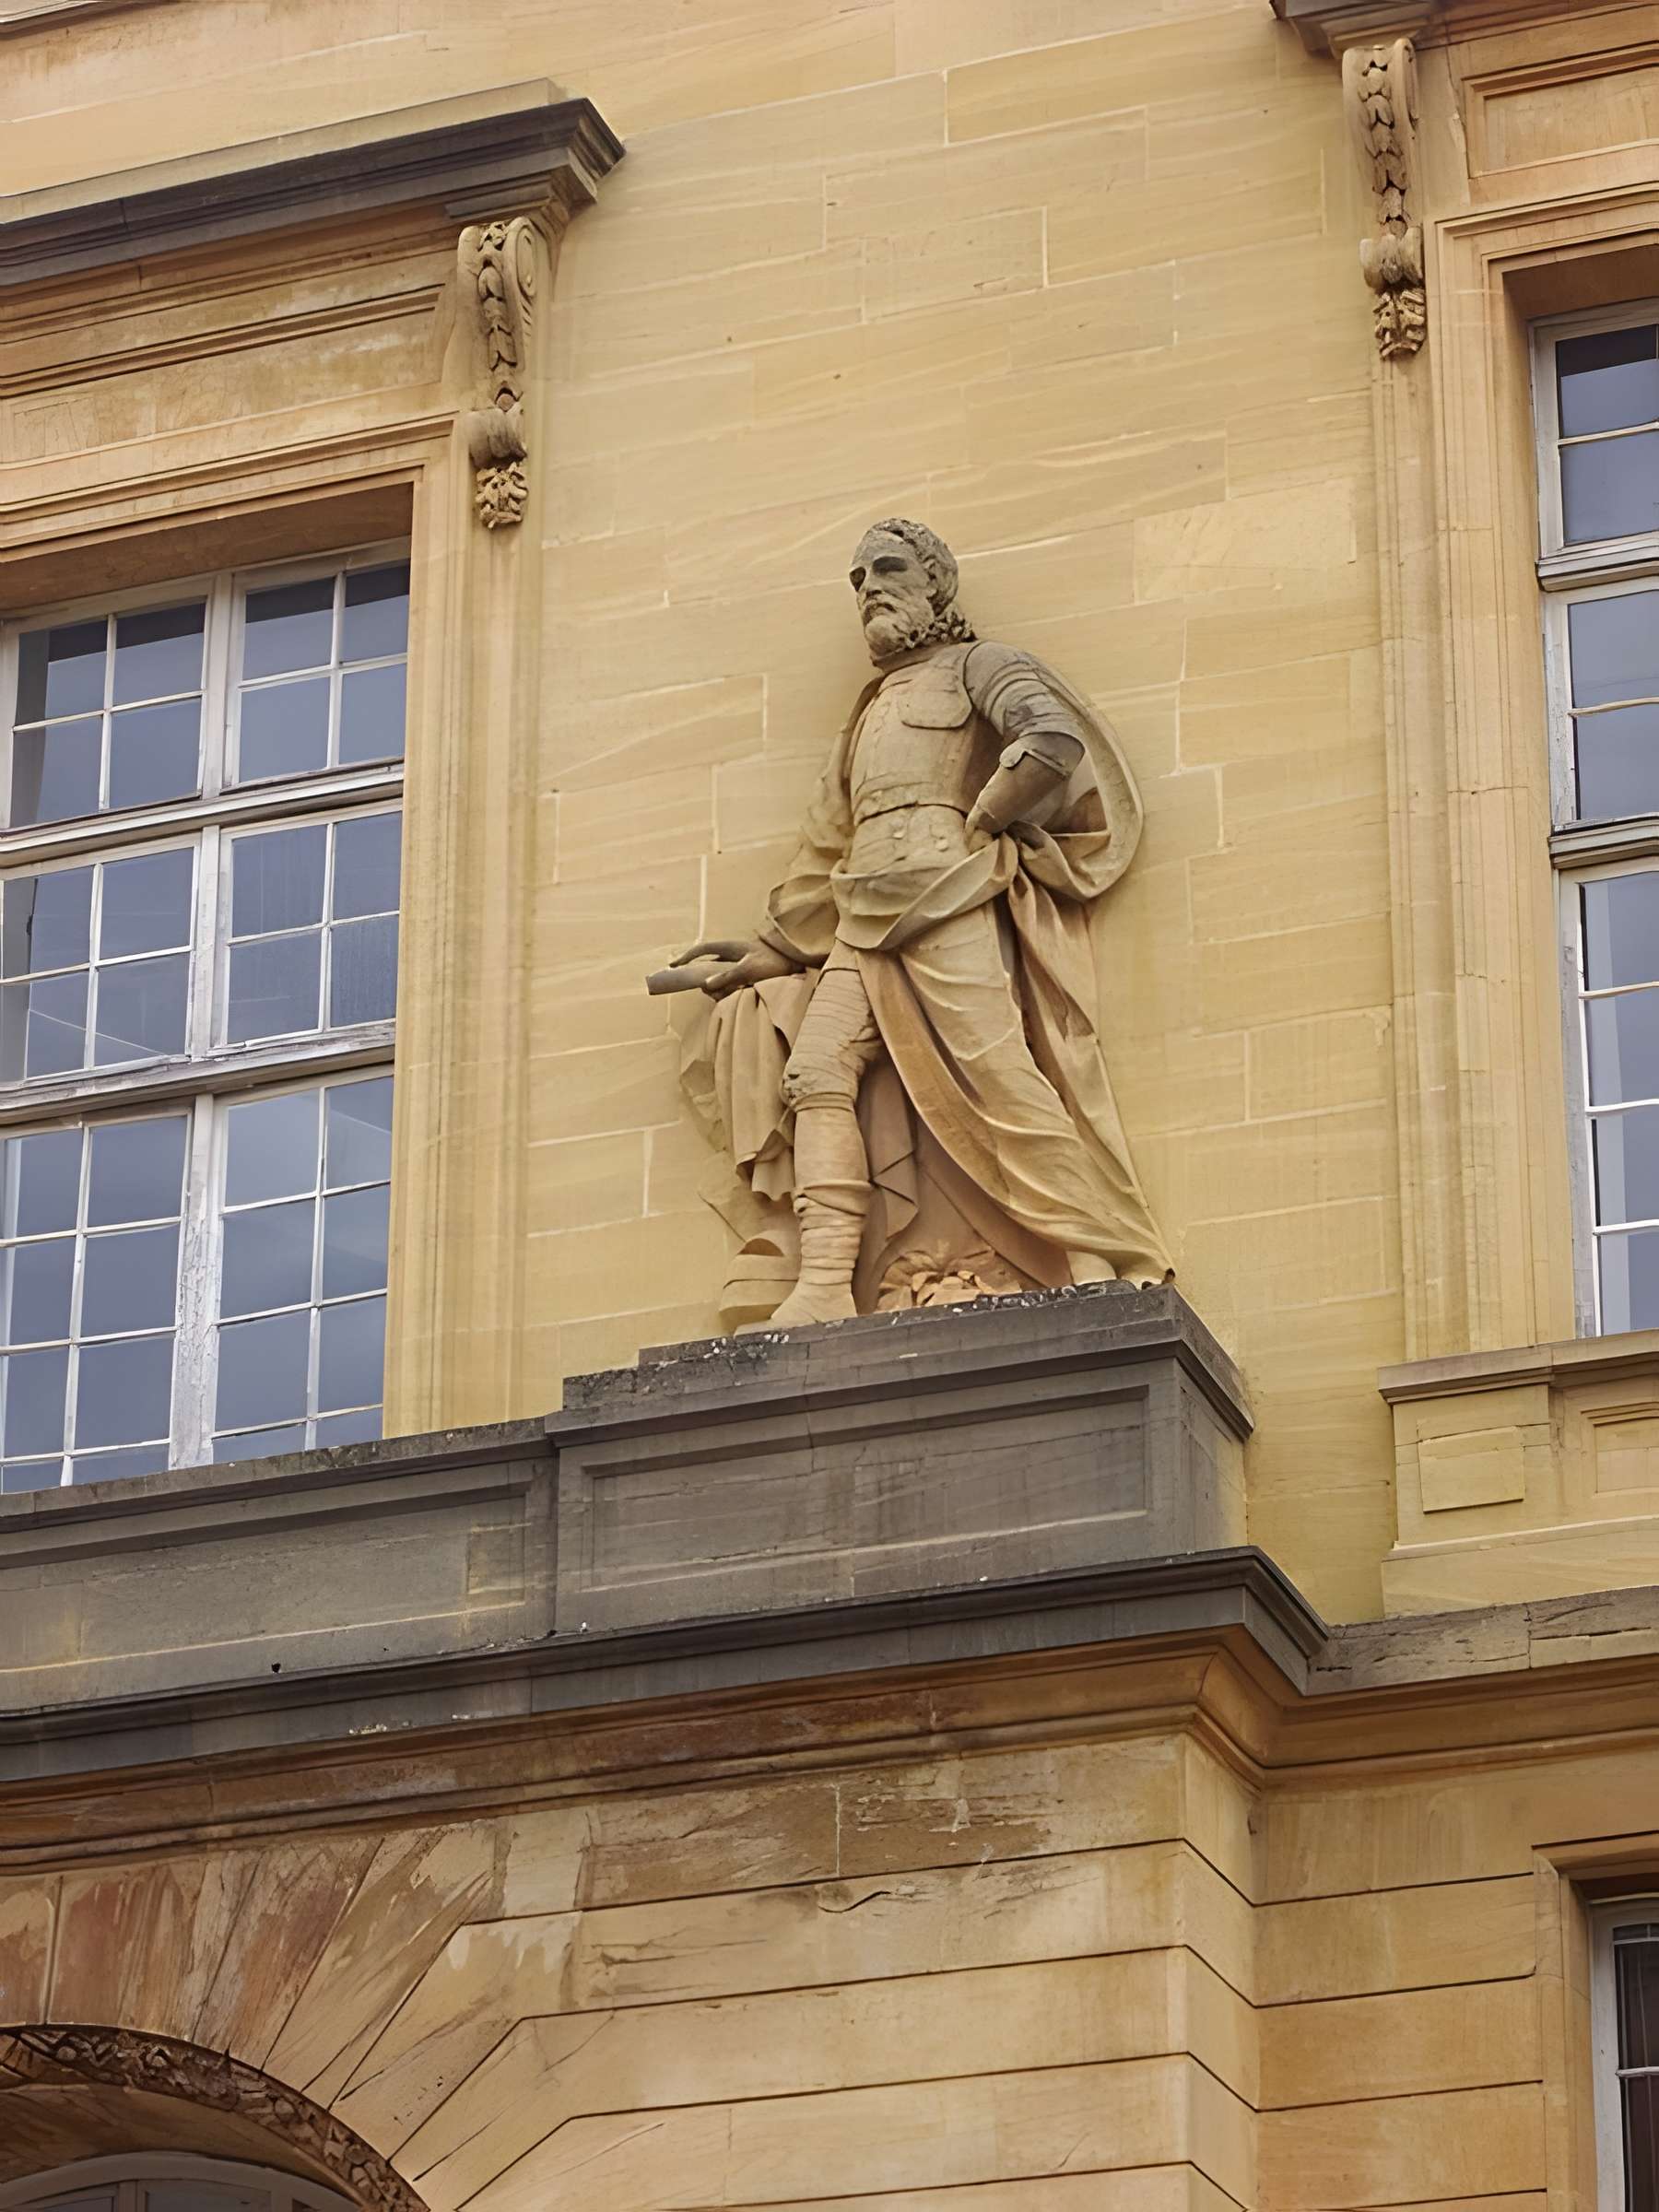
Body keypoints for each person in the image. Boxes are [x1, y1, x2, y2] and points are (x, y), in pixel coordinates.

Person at [665, 517, 1171, 1330]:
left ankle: (1087, 1254)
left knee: (997, 1075)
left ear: (935, 580)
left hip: (947, 892)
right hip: (862, 909)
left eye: (886, 568)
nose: (869, 588)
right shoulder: (869, 710)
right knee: (815, 1072)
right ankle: (827, 1282)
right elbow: (829, 840)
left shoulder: (981, 666)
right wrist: (766, 949)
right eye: (857, 579)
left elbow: (1050, 740)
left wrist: (982, 820)